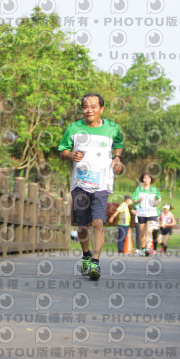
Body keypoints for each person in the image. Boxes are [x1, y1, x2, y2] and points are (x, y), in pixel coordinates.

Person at [58, 93, 123, 280]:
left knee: (98, 222)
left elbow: (118, 144)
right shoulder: (73, 128)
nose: (89, 110)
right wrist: (71, 155)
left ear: (101, 109)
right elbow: (63, 149)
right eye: (86, 106)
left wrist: (117, 158)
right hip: (80, 183)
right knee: (82, 225)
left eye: (94, 106)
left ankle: (95, 261)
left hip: (102, 183)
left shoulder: (112, 128)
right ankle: (86, 255)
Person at [132, 172, 162, 256]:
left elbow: (159, 198)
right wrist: (138, 200)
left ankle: (148, 247)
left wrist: (156, 202)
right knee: (142, 233)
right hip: (141, 213)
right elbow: (134, 201)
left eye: (148, 178)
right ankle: (143, 248)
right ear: (142, 179)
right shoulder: (138, 189)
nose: (146, 179)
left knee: (149, 230)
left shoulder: (154, 189)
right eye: (145, 178)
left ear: (151, 179)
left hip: (152, 213)